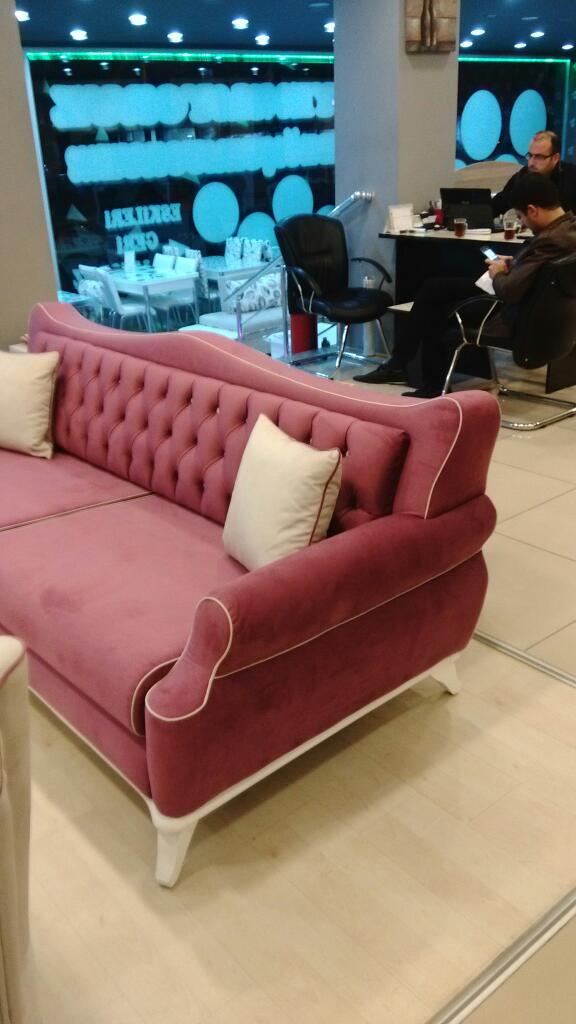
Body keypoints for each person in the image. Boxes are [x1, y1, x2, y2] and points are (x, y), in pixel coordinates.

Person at [353, 174, 576, 397]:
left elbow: (508, 291)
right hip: (530, 304)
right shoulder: (567, 229)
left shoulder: (550, 240)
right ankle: (401, 366)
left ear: (533, 210)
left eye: (520, 216)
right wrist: (515, 263)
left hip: (509, 310)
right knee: (433, 288)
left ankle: (412, 374)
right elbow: (538, 271)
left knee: (433, 309)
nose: (522, 223)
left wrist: (498, 272)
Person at [493, 130, 576, 217]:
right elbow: (496, 207)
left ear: (555, 158)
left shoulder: (572, 177)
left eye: (539, 157)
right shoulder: (522, 176)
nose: (531, 163)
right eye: (530, 155)